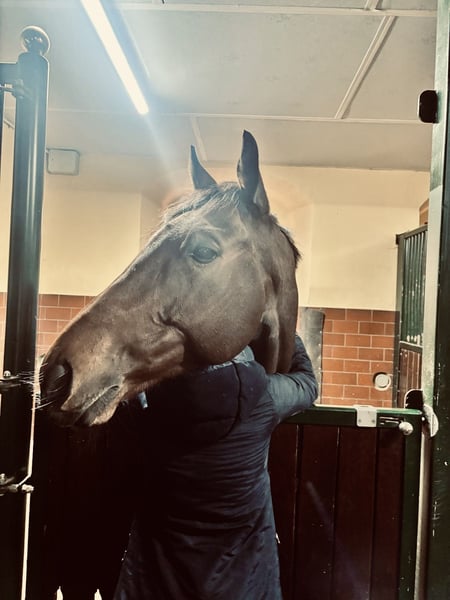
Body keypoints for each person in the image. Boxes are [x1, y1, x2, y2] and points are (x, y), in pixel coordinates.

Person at [114, 334, 318, 600]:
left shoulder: (154, 400)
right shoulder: (265, 396)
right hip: (244, 571)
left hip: (163, 568)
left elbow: (124, 394)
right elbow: (308, 384)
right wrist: (290, 333)